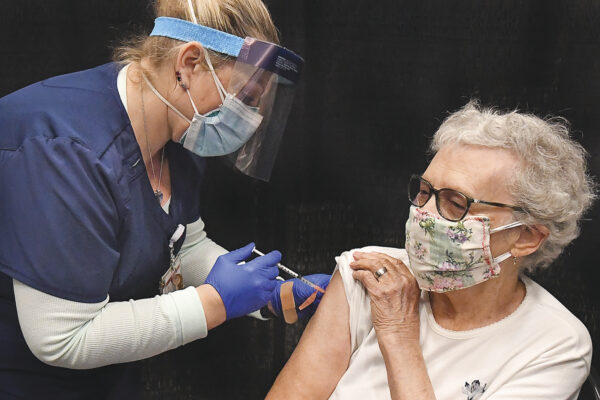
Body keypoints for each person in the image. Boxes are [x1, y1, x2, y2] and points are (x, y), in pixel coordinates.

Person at [0, 0, 329, 398]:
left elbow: (179, 243)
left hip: (106, 377)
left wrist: (270, 294)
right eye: (246, 96)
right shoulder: (67, 154)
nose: (252, 116)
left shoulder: (180, 128)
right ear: (189, 64)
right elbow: (61, 337)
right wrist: (214, 303)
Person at [267, 102, 596, 400]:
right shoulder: (371, 276)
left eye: (456, 203)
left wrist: (399, 335)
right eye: (425, 192)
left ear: (525, 236)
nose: (426, 215)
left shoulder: (555, 345)